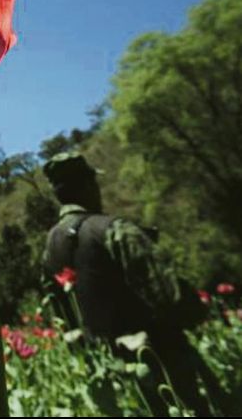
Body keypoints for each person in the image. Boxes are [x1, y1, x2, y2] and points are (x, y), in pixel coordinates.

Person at [41, 151, 229, 416]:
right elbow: (168, 293)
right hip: (162, 363)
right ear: (87, 186)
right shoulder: (114, 229)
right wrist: (201, 311)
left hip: (112, 378)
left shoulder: (50, 247)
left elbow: (59, 314)